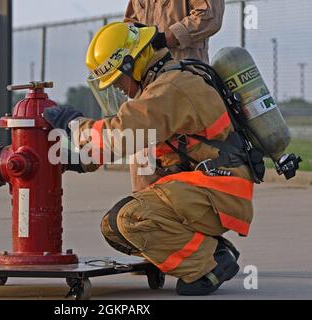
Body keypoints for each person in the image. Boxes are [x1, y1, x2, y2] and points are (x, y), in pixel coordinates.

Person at [44, 22, 254, 295]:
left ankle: (208, 264)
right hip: (206, 187)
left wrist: (74, 125)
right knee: (113, 228)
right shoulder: (160, 86)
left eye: (118, 79)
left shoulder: (171, 88)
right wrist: (79, 160)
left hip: (220, 188)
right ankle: (211, 249)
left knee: (132, 218)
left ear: (133, 63)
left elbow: (120, 134)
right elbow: (136, 142)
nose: (118, 88)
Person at [124, 0, 226, 192]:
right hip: (146, 86)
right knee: (144, 164)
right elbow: (130, 21)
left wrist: (167, 37)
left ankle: (182, 214)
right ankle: (145, 213)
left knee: (182, 163)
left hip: (185, 83)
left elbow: (209, 16)